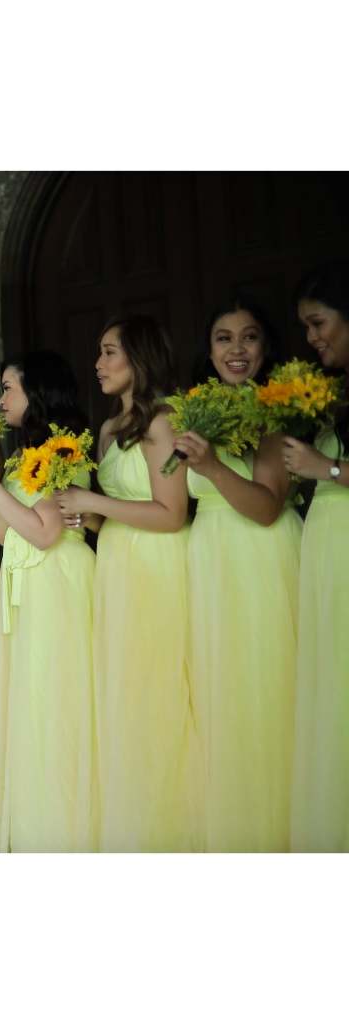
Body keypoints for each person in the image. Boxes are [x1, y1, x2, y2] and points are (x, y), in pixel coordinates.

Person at [56, 316, 202, 852]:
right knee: (124, 695)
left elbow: (171, 513)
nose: (98, 364)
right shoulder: (109, 429)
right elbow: (114, 516)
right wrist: (82, 513)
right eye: (99, 352)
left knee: (159, 689)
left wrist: (93, 500)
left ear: (139, 357)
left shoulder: (164, 422)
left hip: (159, 568)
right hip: (116, 567)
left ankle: (175, 828)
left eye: (109, 352)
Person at [0, 352, 97, 852]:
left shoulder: (63, 450)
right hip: (25, 586)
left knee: (57, 704)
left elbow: (44, 532)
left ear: (37, 392)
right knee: (29, 709)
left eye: (8, 388)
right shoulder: (20, 457)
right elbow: (5, 533)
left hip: (57, 583)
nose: (0, 399)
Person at [172, 297, 299, 851]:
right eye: (224, 338)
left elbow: (267, 507)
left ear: (266, 347)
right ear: (209, 350)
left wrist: (212, 466)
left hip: (259, 556)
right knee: (219, 694)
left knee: (265, 689)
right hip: (208, 558)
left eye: (249, 337)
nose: (237, 349)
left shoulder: (273, 412)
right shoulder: (195, 412)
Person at [284, 261, 349, 851]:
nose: (311, 338)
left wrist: (323, 468)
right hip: (328, 554)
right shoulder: (334, 394)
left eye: (319, 323)